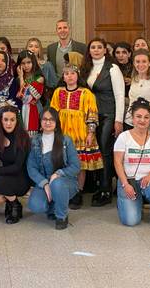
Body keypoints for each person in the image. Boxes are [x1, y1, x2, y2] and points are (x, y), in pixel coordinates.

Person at [49, 60, 102, 209]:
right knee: (62, 162)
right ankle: (64, 190)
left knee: (79, 165)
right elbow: (52, 113)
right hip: (62, 133)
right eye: (66, 74)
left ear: (77, 76)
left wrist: (91, 132)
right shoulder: (58, 92)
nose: (70, 76)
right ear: (63, 77)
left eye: (73, 73)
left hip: (81, 133)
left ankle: (78, 191)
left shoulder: (86, 93)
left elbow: (92, 114)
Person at [79, 38, 125, 206]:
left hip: (108, 114)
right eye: (93, 47)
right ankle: (95, 186)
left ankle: (106, 189)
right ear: (89, 50)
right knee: (93, 150)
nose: (96, 50)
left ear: (105, 50)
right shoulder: (85, 68)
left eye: (100, 47)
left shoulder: (112, 69)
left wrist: (118, 120)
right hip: (90, 116)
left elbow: (120, 96)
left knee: (105, 150)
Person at [114, 99, 150, 226]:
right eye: (138, 116)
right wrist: (125, 184)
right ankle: (132, 200)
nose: (142, 120)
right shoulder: (123, 137)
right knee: (131, 221)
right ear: (132, 118)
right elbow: (117, 162)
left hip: (149, 179)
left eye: (146, 117)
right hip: (128, 180)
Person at [27, 109, 80, 230]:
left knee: (57, 184)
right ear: (40, 122)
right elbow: (31, 167)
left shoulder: (66, 140)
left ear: (56, 122)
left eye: (51, 119)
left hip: (65, 182)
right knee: (35, 205)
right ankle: (53, 206)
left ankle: (62, 215)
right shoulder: (34, 141)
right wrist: (44, 184)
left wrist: (58, 174)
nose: (48, 122)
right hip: (44, 182)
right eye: (45, 119)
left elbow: (75, 166)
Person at [0, 106, 30, 224]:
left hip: (21, 178)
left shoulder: (23, 138)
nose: (8, 123)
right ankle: (11, 201)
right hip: (5, 175)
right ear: (1, 120)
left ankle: (15, 205)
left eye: (12, 120)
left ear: (17, 121)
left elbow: (17, 167)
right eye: (5, 120)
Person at [16, 50, 45, 136]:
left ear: (34, 62)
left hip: (34, 110)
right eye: (23, 63)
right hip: (20, 110)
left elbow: (24, 95)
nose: (26, 66)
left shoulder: (39, 78)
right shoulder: (16, 80)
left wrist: (21, 78)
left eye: (29, 62)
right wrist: (20, 77)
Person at [25, 37, 58, 103]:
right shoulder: (23, 65)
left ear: (40, 50)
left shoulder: (47, 65)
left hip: (43, 100)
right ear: (26, 49)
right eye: (30, 46)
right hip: (26, 100)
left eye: (36, 47)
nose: (33, 49)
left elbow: (54, 84)